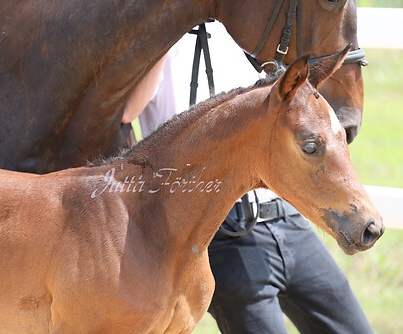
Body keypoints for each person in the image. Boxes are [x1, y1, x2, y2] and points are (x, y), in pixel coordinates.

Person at [122, 23, 374, 334]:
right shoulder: (157, 44)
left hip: (288, 220)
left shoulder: (242, 31)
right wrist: (162, 37)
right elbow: (126, 111)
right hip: (227, 232)